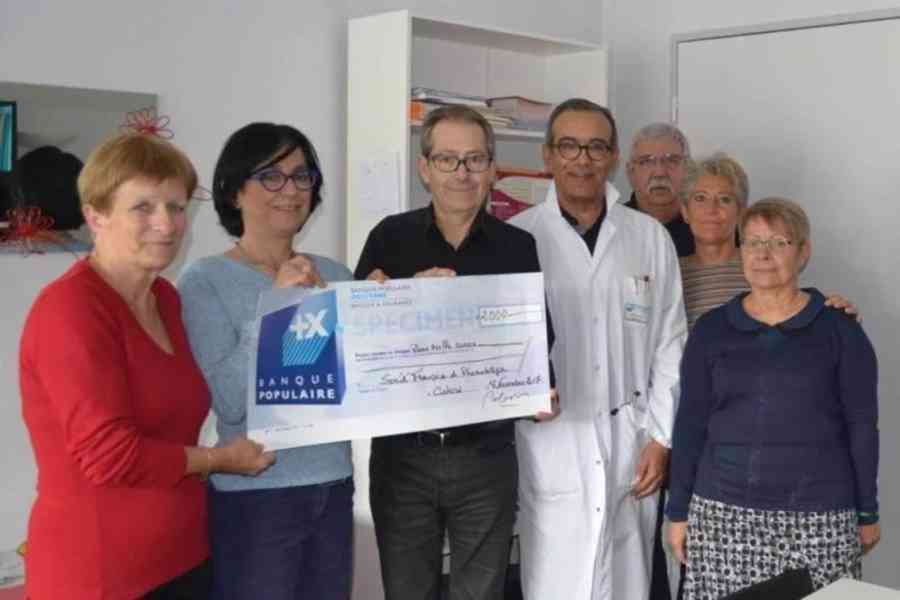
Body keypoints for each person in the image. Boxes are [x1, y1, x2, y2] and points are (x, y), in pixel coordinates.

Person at [19, 132, 273, 600]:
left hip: (183, 557)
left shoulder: (166, 300)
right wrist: (219, 460)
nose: (166, 224)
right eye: (143, 207)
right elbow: (110, 454)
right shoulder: (70, 309)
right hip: (99, 574)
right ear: (96, 216)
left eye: (176, 207)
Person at [354, 104, 555, 600]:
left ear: (492, 168)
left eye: (475, 159)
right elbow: (357, 348)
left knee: (480, 593)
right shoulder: (389, 238)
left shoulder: (517, 246)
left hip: (485, 457)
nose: (462, 173)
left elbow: (536, 338)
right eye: (447, 159)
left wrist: (537, 389)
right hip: (404, 456)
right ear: (425, 168)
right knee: (407, 591)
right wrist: (407, 299)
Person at [509, 99, 687, 600]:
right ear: (548, 155)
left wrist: (660, 438)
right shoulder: (518, 237)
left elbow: (671, 344)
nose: (582, 159)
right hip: (550, 441)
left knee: (628, 579)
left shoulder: (648, 237)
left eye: (595, 147)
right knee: (554, 580)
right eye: (569, 146)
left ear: (612, 157)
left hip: (632, 437)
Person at [667, 197, 880, 597]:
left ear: (803, 252)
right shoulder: (711, 330)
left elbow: (863, 426)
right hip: (723, 518)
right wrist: (678, 512)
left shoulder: (840, 331)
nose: (763, 254)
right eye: (752, 242)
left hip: (820, 518)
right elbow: (690, 424)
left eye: (779, 242)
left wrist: (867, 509)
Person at [178, 123, 355, 600]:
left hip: (333, 485)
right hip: (255, 498)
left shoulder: (335, 274)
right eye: (271, 177)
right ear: (234, 191)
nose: (290, 190)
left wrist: (397, 304)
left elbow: (363, 384)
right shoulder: (204, 280)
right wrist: (278, 308)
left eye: (302, 176)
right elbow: (229, 402)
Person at [626, 122, 694, 257]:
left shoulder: (708, 229)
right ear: (630, 172)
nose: (660, 172)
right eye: (646, 161)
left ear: (688, 169)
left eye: (672, 161)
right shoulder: (609, 228)